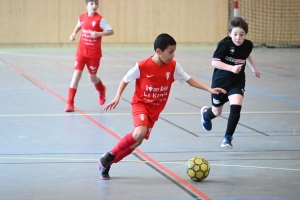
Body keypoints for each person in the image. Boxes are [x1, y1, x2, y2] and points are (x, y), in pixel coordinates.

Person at [97, 33, 227, 180]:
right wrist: (117, 97)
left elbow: (191, 81)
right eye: (170, 52)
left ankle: (106, 164)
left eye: (174, 52)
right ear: (159, 51)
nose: (173, 55)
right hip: (141, 104)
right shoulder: (142, 66)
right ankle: (107, 157)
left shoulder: (173, 66)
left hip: (155, 110)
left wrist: (209, 89)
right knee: (139, 133)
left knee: (137, 142)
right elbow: (125, 79)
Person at [200, 17, 261, 148]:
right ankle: (206, 115)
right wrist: (231, 67)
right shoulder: (224, 44)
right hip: (220, 81)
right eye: (235, 34)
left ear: (245, 35)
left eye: (241, 34)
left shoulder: (248, 45)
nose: (238, 38)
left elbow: (246, 55)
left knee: (236, 106)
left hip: (237, 82)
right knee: (217, 112)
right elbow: (214, 62)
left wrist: (253, 68)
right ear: (229, 34)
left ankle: (228, 137)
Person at [65, 0, 114, 112]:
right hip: (81, 52)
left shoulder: (100, 20)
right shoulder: (81, 17)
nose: (94, 6)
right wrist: (73, 34)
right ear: (86, 6)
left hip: (94, 54)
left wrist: (98, 34)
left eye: (96, 4)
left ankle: (101, 90)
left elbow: (111, 31)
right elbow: (79, 25)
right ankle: (70, 103)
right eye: (92, 4)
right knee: (76, 75)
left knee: (92, 78)